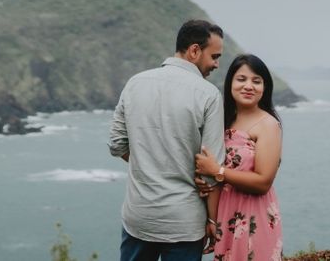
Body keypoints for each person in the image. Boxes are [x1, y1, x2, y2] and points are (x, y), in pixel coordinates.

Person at [109, 19, 226, 261]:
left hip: (139, 216)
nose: (216, 64)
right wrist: (213, 221)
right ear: (194, 50)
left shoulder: (135, 83)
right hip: (184, 222)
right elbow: (211, 171)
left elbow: (117, 144)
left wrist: (148, 162)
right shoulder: (209, 95)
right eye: (214, 56)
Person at [195, 54, 283, 261]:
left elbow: (263, 182)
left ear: (265, 87)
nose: (249, 86)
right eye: (241, 79)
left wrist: (217, 171)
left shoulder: (268, 125)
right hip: (226, 215)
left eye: (256, 81)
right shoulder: (221, 119)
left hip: (254, 217)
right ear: (230, 83)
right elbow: (209, 166)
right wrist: (203, 179)